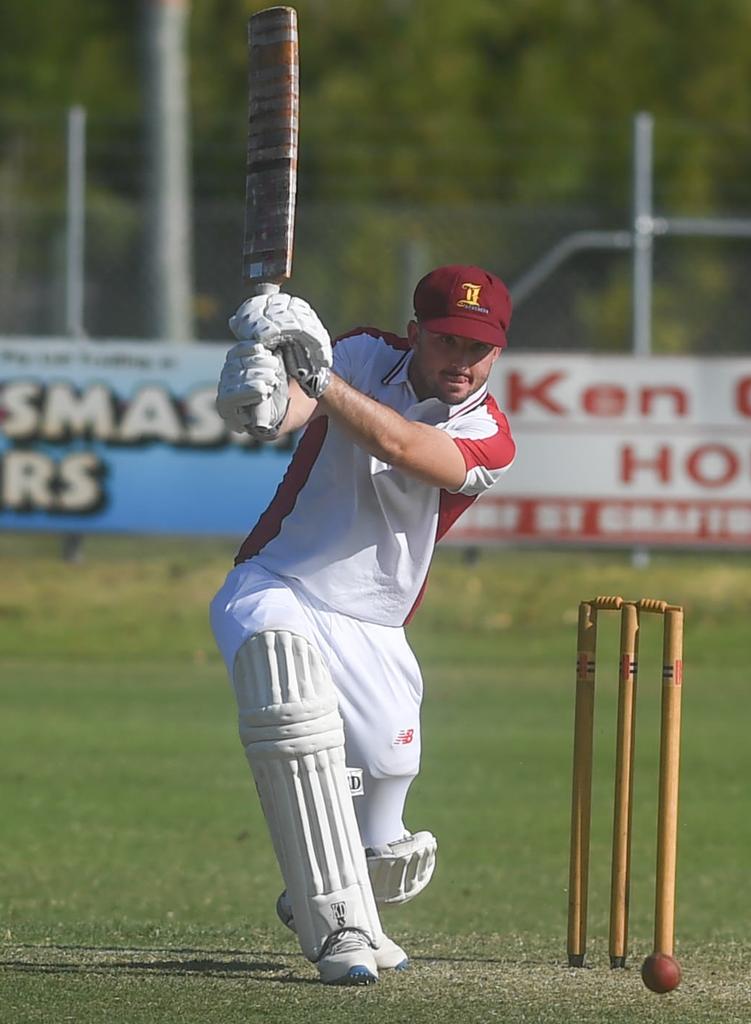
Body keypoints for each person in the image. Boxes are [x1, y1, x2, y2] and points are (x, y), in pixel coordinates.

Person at [209, 264, 516, 986]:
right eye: (445, 341)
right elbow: (289, 412)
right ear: (415, 334)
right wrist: (259, 390)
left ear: (500, 350)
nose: (461, 363)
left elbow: (407, 449)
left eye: (479, 348)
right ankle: (336, 925)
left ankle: (344, 898)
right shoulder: (361, 355)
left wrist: (317, 380)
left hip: (376, 627)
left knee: (390, 826)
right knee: (291, 703)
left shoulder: (490, 434)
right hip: (277, 581)